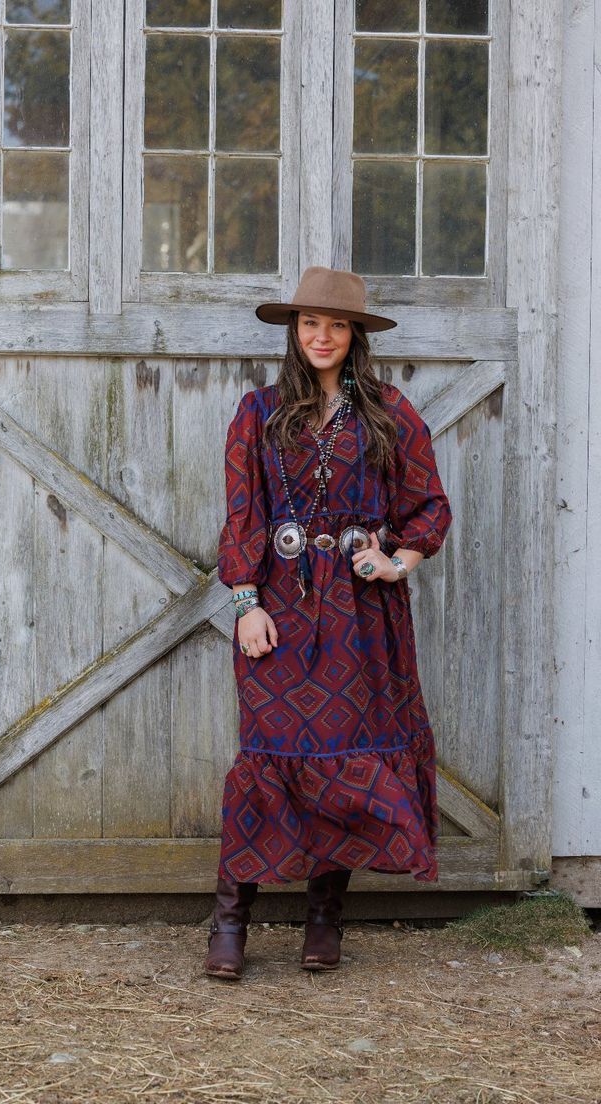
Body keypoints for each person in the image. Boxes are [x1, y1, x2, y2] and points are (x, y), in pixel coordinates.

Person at [203, 267, 453, 981]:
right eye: (310, 323)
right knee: (267, 756)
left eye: (336, 325)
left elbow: (430, 505)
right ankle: (230, 921)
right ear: (294, 331)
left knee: (344, 759)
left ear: (354, 336)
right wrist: (246, 604)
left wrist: (397, 561)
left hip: (360, 618)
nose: (321, 336)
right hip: (279, 607)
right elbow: (242, 513)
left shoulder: (387, 412)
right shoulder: (258, 413)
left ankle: (324, 915)